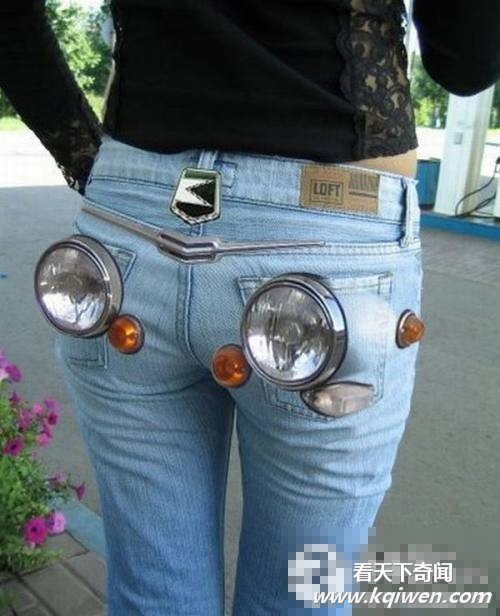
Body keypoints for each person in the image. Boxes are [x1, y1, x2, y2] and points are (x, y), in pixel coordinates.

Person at [1, 1, 499, 614]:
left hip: (128, 233)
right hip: (330, 239)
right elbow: (466, 62)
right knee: (301, 595)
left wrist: (92, 161)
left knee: (155, 596)